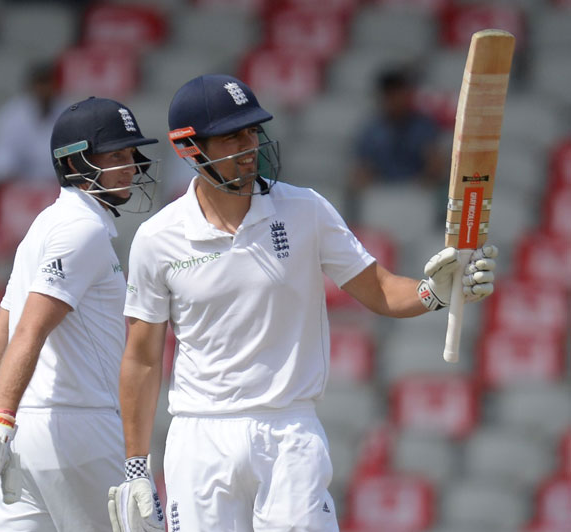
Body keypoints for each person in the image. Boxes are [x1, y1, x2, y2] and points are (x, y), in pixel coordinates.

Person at [107, 74, 497, 532]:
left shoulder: (306, 210)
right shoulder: (157, 238)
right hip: (199, 436)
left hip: (288, 430)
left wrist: (438, 292)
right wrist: (136, 465)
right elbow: (142, 358)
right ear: (189, 148)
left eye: (252, 130)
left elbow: (382, 290)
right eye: (232, 136)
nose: (249, 144)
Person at [0, 96, 160, 532]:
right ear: (76, 160)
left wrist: (1, 426)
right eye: (116, 155)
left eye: (131, 155)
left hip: (28, 434)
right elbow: (29, 330)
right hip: (81, 429)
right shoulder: (82, 229)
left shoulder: (44, 225)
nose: (131, 166)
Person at [348, 65, 446, 222]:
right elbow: (361, 172)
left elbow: (435, 167)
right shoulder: (371, 130)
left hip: (417, 192)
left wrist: (418, 187)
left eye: (400, 93)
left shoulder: (424, 126)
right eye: (391, 95)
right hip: (382, 192)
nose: (396, 100)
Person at [0, 61, 67, 184]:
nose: (44, 89)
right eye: (40, 83)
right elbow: (1, 162)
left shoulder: (68, 114)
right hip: (20, 188)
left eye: (47, 83)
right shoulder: (11, 115)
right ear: (30, 86)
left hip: (59, 188)